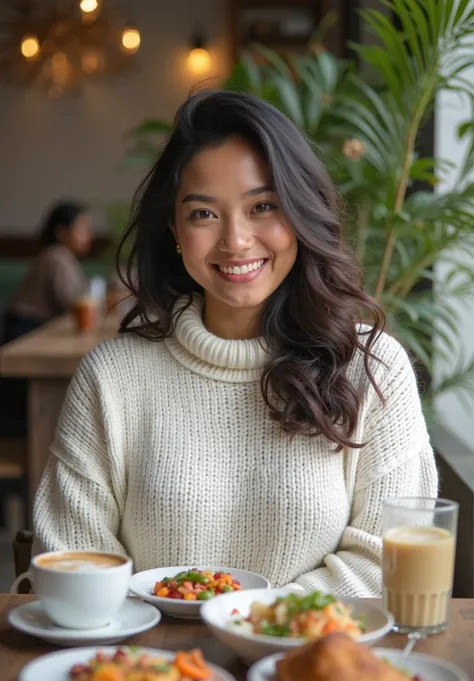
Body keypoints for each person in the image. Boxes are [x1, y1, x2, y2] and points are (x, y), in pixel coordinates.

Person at [33, 91, 437, 596]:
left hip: (313, 667)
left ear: (300, 212)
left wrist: (247, 624)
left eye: (263, 206)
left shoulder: (373, 367)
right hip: (148, 666)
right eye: (204, 214)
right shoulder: (112, 377)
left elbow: (385, 560)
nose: (237, 240)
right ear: (175, 230)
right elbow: (72, 556)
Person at [4, 201, 92, 342]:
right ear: (61, 233)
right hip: (26, 328)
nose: (88, 235)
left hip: (30, 324)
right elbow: (70, 302)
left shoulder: (62, 256)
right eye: (82, 228)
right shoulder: (56, 257)